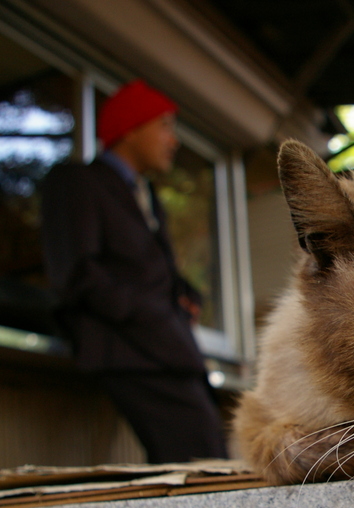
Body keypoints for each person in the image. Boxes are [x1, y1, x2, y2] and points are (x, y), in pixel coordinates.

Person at [41, 80, 228, 464]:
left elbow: (146, 268)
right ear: (130, 128)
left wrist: (184, 294)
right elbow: (75, 274)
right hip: (130, 348)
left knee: (207, 457)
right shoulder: (78, 182)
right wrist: (154, 315)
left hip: (167, 348)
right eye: (163, 126)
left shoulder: (145, 195)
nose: (172, 140)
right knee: (200, 463)